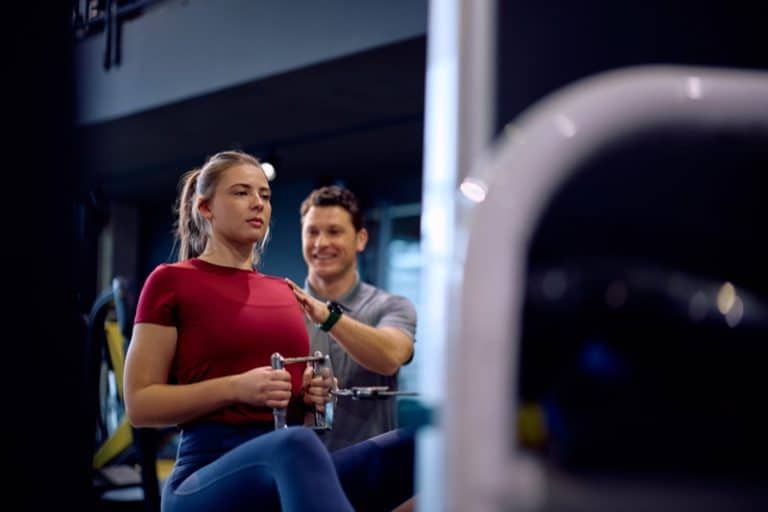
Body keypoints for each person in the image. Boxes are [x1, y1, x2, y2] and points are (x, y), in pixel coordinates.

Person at [123, 150, 414, 512]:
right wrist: (236, 387)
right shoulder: (171, 281)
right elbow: (140, 404)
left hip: (286, 465)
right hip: (205, 475)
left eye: (264, 195)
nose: (257, 203)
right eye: (242, 193)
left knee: (419, 443)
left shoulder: (284, 291)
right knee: (294, 446)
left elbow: (298, 418)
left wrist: (308, 400)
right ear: (206, 208)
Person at [286, 185, 417, 451]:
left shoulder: (392, 306)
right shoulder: (281, 313)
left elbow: (391, 356)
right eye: (312, 232)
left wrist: (326, 316)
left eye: (334, 231)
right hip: (301, 476)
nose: (321, 243)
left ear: (361, 239)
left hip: (374, 479)